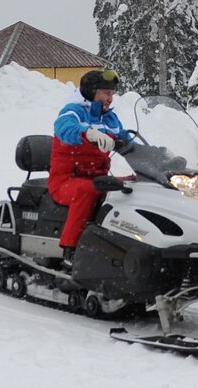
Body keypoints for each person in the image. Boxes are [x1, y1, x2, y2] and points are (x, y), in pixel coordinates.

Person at [48, 69, 130, 269]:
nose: (110, 99)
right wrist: (88, 134)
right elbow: (64, 128)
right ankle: (71, 249)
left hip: (98, 178)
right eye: (106, 93)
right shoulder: (73, 110)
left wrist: (158, 154)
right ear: (91, 91)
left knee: (130, 187)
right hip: (66, 181)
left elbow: (128, 141)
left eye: (112, 94)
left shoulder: (109, 119)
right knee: (87, 191)